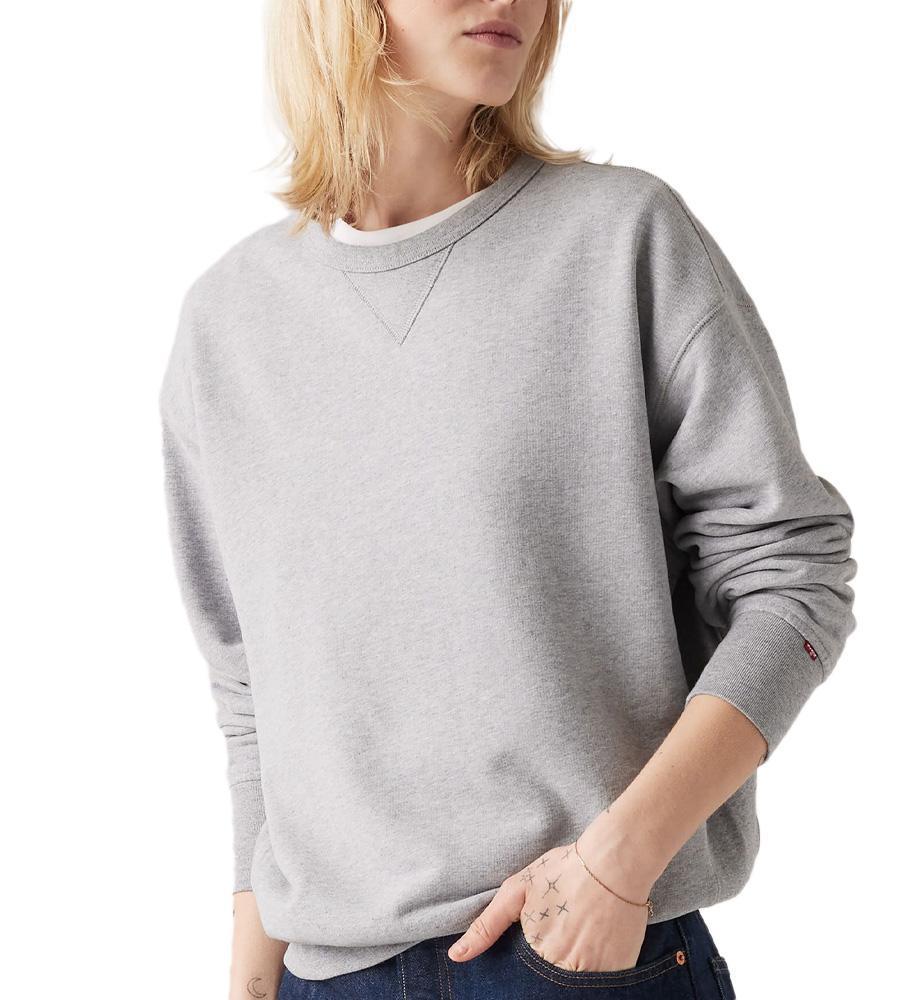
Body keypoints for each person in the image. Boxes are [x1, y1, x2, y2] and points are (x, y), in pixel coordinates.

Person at [157, 2, 858, 998]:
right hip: (325, 972)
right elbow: (251, 690)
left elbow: (795, 579)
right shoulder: (227, 323)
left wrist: (621, 859)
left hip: (580, 953)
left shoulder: (618, 238)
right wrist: (248, 981)